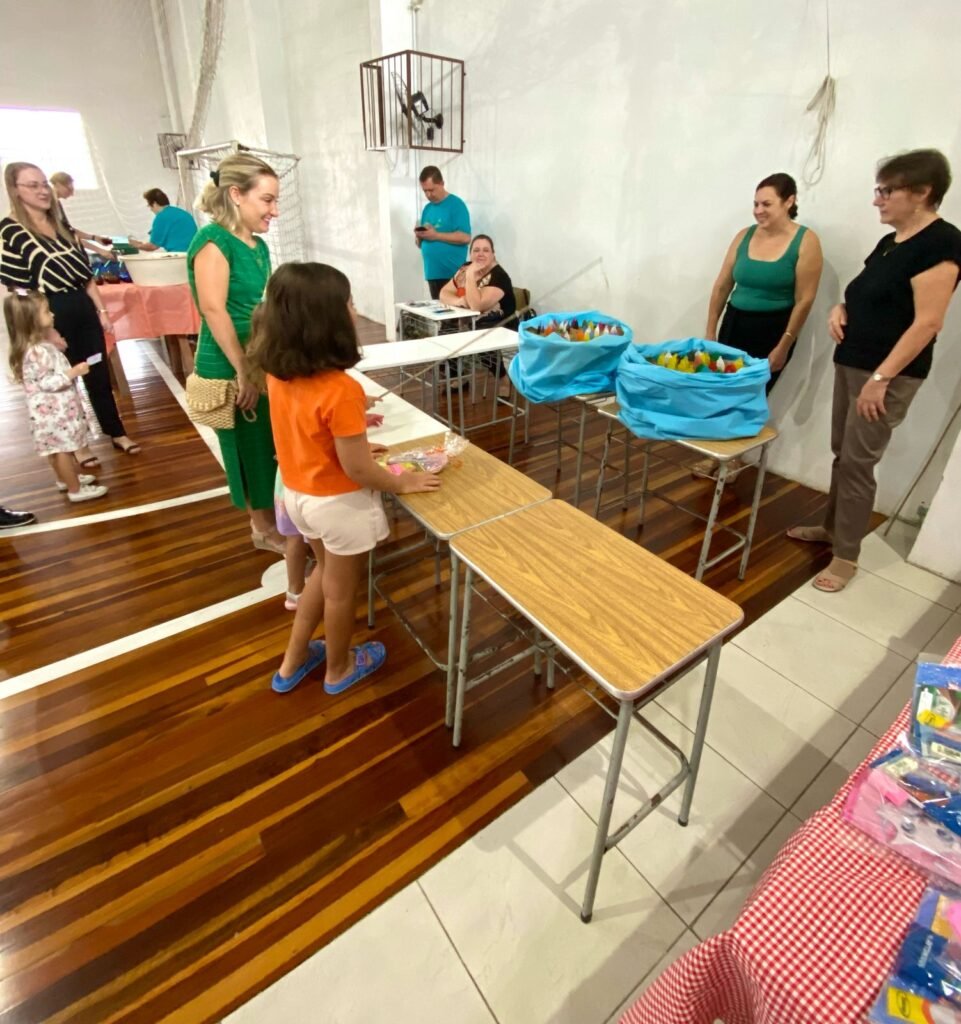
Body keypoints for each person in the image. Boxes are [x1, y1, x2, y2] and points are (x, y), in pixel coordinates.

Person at [250, 262, 441, 695]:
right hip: (337, 506)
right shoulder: (341, 389)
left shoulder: (278, 374)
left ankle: (293, 661)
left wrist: (351, 442)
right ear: (328, 319)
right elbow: (357, 470)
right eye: (349, 302)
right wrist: (401, 482)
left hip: (298, 497)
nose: (354, 309)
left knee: (321, 576)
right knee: (339, 592)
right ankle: (338, 668)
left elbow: (309, 437)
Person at [788, 149, 961, 592]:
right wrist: (840, 309)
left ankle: (846, 557)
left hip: (887, 376)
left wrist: (881, 380)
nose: (876, 200)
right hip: (854, 362)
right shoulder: (891, 242)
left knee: (858, 463)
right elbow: (866, 295)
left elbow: (928, 322)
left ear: (921, 192)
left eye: (886, 191)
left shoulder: (942, 244)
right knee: (843, 455)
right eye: (877, 190)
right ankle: (832, 529)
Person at [1, 162, 140, 463]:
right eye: (33, 185)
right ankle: (80, 445)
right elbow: (19, 289)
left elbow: (85, 275)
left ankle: (116, 431)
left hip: (82, 307)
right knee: (64, 381)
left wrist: (101, 310)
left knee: (98, 372)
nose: (42, 191)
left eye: (44, 184)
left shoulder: (61, 224)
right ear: (15, 190)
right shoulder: (10, 231)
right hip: (48, 311)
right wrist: (47, 330)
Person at [696, 172, 824, 477]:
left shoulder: (806, 241)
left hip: (773, 329)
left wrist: (784, 344)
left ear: (789, 202)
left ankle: (733, 457)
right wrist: (711, 331)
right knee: (721, 390)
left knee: (751, 396)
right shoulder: (744, 236)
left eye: (766, 204)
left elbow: (805, 300)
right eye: (755, 204)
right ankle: (716, 452)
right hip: (735, 322)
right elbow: (722, 286)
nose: (758, 210)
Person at [187, 153, 283, 554]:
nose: (274, 211)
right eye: (267, 200)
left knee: (267, 441)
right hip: (230, 359)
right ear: (236, 195)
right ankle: (262, 527)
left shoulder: (257, 245)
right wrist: (243, 370)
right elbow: (214, 309)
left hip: (255, 353)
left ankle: (272, 517)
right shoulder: (214, 241)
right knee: (247, 445)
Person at [4, 289, 108, 502]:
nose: (52, 314)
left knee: (55, 449)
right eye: (46, 311)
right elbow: (47, 382)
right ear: (31, 320)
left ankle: (65, 479)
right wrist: (74, 372)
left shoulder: (35, 347)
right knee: (63, 450)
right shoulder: (38, 351)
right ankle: (75, 489)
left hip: (48, 413)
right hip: (55, 411)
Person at [414, 166, 471, 298]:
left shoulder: (456, 205)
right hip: (432, 273)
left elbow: (465, 237)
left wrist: (436, 235)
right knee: (438, 310)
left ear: (442, 183)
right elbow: (419, 244)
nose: (428, 195)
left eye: (431, 190)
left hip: (453, 274)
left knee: (454, 309)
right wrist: (419, 236)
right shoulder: (427, 209)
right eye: (425, 191)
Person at [439, 234, 516, 326]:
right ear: (470, 254)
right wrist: (458, 301)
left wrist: (470, 274)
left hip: (499, 330)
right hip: (469, 327)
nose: (480, 254)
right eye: (476, 250)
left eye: (486, 250)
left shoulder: (500, 276)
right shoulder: (465, 267)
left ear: (493, 255)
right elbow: (444, 293)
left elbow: (476, 306)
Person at [49, 172, 113, 260]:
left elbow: (68, 229)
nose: (72, 194)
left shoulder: (57, 204)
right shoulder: (49, 206)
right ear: (58, 185)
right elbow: (66, 235)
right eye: (69, 189)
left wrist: (94, 238)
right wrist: (99, 250)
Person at [129, 189, 198, 252]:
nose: (150, 209)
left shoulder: (161, 217)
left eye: (149, 205)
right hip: (194, 253)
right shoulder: (181, 212)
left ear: (154, 203)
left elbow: (153, 246)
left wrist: (137, 245)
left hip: (179, 255)